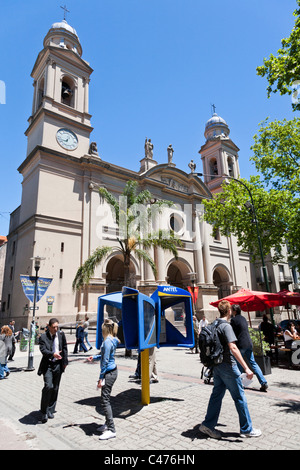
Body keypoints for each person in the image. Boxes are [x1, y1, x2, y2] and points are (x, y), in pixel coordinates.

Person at [199, 300, 262, 439]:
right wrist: (247, 368)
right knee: (239, 397)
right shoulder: (226, 326)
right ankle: (246, 429)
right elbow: (233, 348)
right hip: (228, 366)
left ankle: (208, 425)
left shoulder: (213, 324)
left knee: (216, 395)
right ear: (229, 311)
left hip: (217, 366)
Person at [88, 319, 120, 440]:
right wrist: (95, 357)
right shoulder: (113, 339)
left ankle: (112, 429)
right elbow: (105, 355)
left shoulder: (107, 341)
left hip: (108, 373)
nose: (101, 332)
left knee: (105, 400)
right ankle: (107, 424)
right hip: (112, 371)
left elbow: (106, 361)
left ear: (105, 329)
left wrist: (101, 378)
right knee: (105, 399)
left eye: (101, 330)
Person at [231, 304, 268, 392]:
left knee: (239, 363)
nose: (231, 312)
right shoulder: (243, 318)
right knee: (253, 363)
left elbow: (232, 333)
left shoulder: (233, 320)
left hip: (241, 344)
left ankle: (240, 383)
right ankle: (263, 382)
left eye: (231, 310)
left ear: (235, 311)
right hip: (249, 343)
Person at [37, 318, 68, 423]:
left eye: (57, 327)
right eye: (54, 327)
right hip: (48, 365)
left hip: (58, 365)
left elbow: (64, 348)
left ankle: (51, 409)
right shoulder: (43, 337)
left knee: (55, 388)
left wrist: (65, 362)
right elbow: (43, 350)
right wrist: (52, 354)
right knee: (48, 386)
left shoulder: (61, 334)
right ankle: (44, 411)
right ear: (49, 327)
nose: (56, 329)